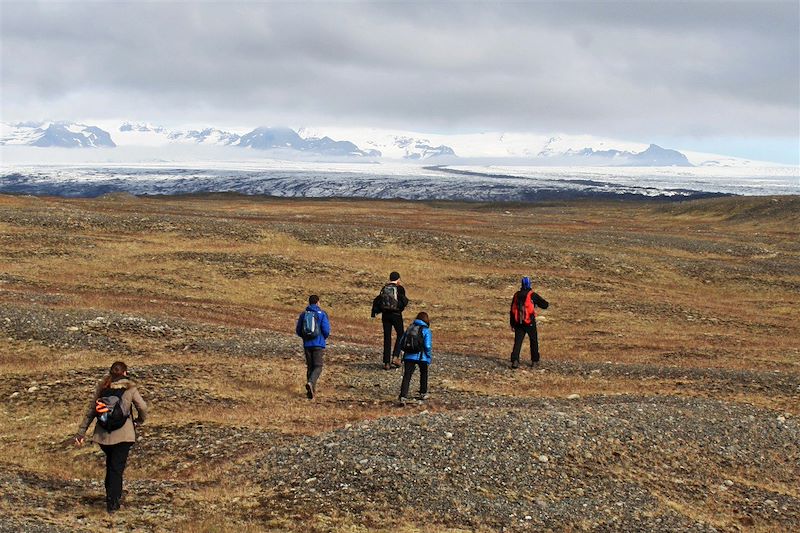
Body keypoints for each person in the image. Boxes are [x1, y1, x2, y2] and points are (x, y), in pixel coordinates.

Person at [75, 361, 147, 514]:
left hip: (103, 436)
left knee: (111, 465)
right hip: (124, 435)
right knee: (116, 469)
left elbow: (91, 411)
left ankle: (110, 497)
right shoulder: (130, 387)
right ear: (125, 373)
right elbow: (143, 407)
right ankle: (113, 503)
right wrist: (139, 420)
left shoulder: (103, 387)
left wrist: (81, 433)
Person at [371, 271, 409, 370]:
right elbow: (403, 302)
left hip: (385, 315)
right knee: (401, 334)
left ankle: (386, 362)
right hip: (396, 315)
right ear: (398, 279)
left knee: (387, 337)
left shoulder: (384, 288)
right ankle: (395, 357)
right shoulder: (400, 289)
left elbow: (378, 301)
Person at [295, 294, 331, 399]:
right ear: (318, 302)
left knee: (310, 367)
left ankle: (310, 393)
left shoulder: (304, 314)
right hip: (318, 344)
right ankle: (311, 383)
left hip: (307, 344)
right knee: (318, 366)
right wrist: (322, 338)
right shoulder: (322, 314)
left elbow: (298, 330)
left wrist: (305, 338)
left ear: (309, 302)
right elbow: (326, 330)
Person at [509, 276, 549, 368]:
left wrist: (512, 323)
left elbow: (512, 310)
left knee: (518, 342)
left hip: (518, 322)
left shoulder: (516, 295)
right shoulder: (532, 295)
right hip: (530, 322)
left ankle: (515, 360)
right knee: (533, 341)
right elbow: (544, 305)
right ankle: (534, 361)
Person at [398, 311, 432, 403]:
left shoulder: (410, 328)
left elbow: (401, 342)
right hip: (422, 356)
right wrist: (428, 357)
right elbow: (427, 346)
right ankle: (423, 393)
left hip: (408, 355)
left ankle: (403, 396)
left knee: (407, 375)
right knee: (423, 374)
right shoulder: (426, 330)